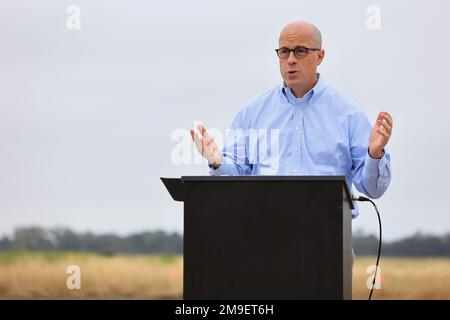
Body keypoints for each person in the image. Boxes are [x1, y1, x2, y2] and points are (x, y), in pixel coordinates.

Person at [190, 21, 393, 214]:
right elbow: (235, 179)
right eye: (284, 52)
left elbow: (372, 189)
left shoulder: (349, 113)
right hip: (264, 234)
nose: (291, 59)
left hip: (329, 236)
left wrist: (374, 155)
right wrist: (217, 162)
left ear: (320, 56)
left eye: (300, 51)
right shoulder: (252, 113)